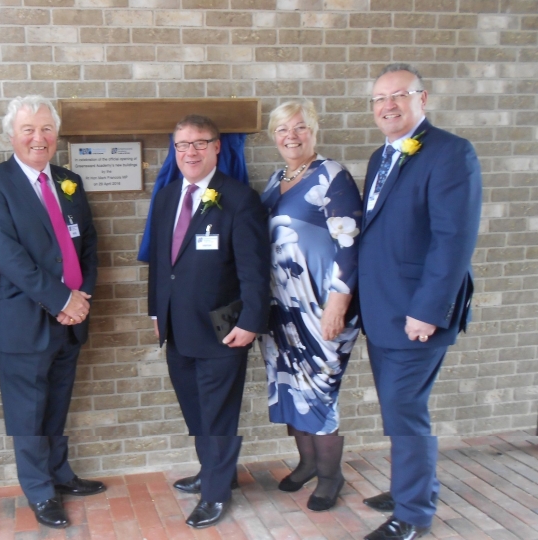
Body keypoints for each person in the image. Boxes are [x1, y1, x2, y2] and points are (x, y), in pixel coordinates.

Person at [358, 64, 482, 540]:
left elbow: (454, 241)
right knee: (397, 409)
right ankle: (409, 484)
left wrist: (428, 311)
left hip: (416, 314)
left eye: (398, 95)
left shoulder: (451, 153)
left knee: (405, 408)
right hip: (381, 309)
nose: (387, 105)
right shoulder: (379, 156)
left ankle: (412, 514)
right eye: (379, 99)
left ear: (422, 99)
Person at [0, 96, 105, 529]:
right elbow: (7, 256)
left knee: (57, 405)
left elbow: (87, 245)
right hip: (22, 322)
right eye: (28, 129)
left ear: (57, 134)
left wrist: (81, 296)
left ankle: (60, 474)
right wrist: (62, 299)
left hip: (71, 320)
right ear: (12, 135)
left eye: (46, 129)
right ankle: (39, 489)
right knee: (27, 412)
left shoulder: (70, 181)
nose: (38, 138)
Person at [148, 115, 269, 529]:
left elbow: (255, 269)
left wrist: (252, 321)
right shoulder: (166, 198)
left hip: (224, 328)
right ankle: (213, 470)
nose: (190, 152)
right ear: (174, 150)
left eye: (200, 143)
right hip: (177, 328)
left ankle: (216, 493)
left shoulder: (239, 199)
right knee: (196, 411)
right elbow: (162, 267)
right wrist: (154, 312)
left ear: (217, 147)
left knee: (218, 414)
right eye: (182, 145)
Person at [258, 100, 362, 512]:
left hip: (322, 306)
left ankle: (331, 474)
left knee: (320, 389)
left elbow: (350, 242)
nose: (292, 136)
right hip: (281, 309)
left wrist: (338, 302)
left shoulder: (332, 176)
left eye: (300, 127)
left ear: (314, 131)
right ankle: (306, 463)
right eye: (283, 129)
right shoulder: (274, 179)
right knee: (290, 386)